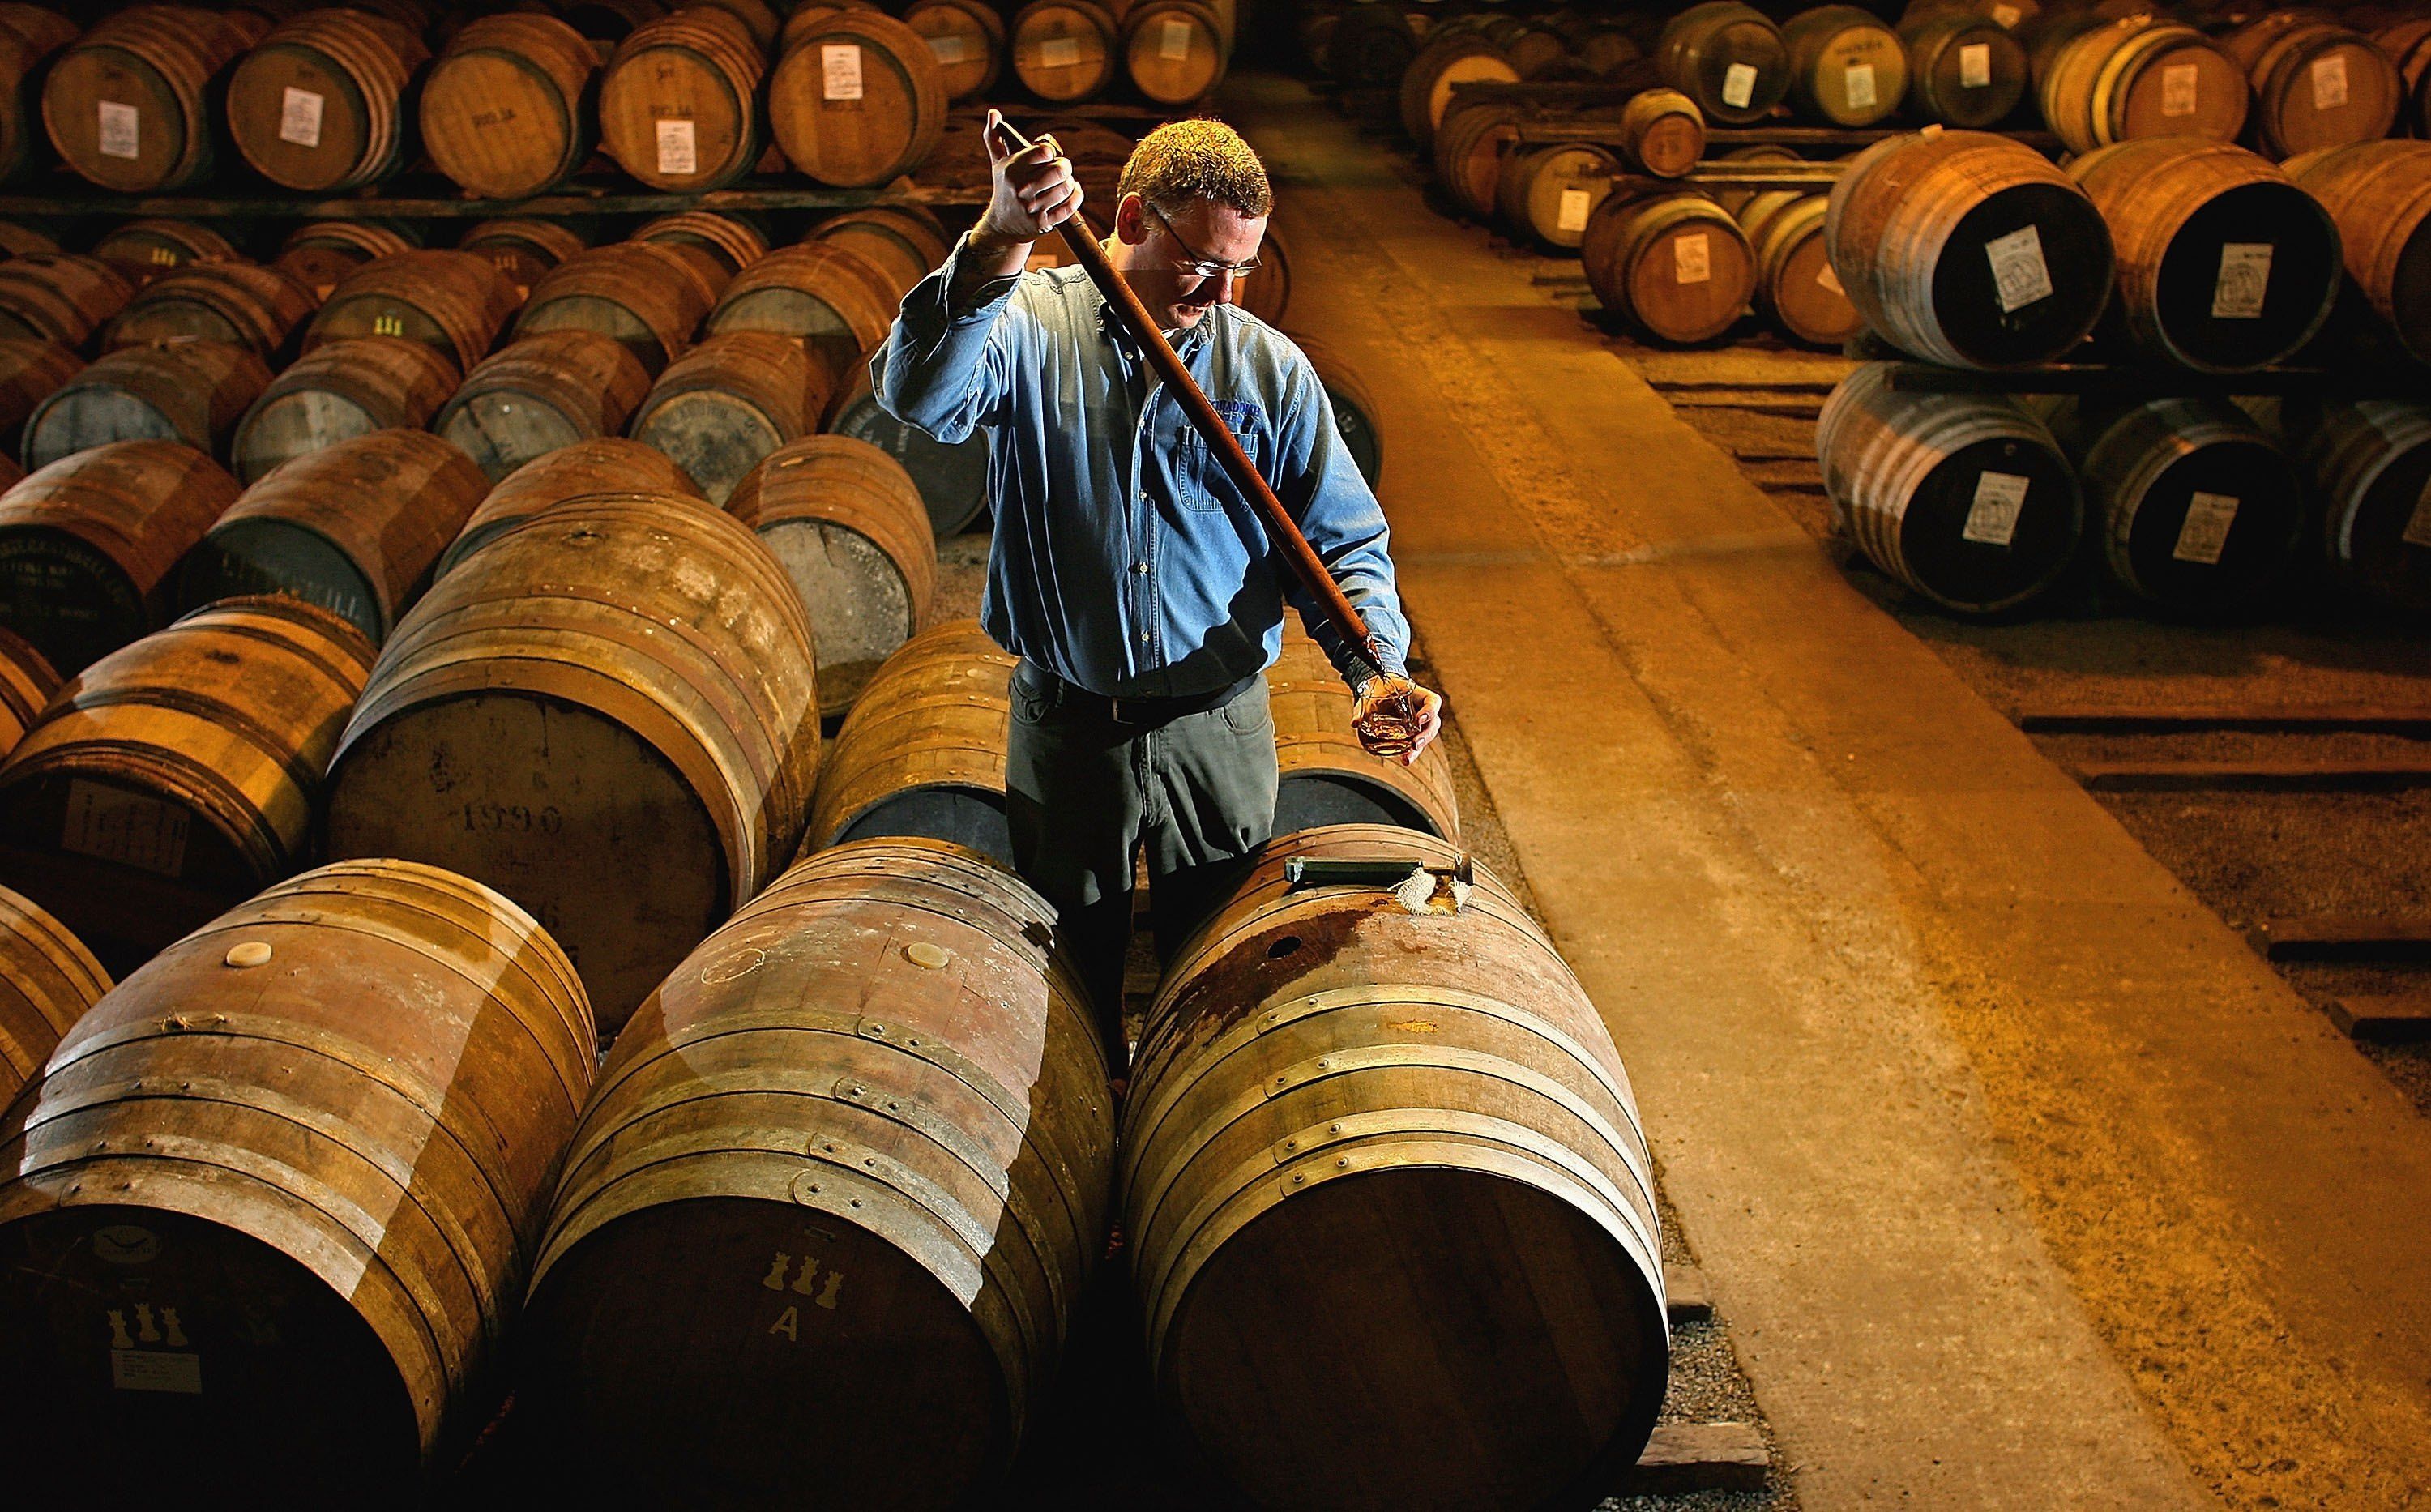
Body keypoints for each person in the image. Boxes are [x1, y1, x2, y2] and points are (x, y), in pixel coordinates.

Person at [874, 111, 1442, 1061]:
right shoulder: (1028, 329)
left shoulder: (1267, 368)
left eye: (1241, 270)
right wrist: (1001, 235)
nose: (1221, 291)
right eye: (1202, 263)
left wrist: (1378, 665)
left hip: (1217, 730)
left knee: (1220, 974)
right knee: (1062, 981)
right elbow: (922, 396)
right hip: (1070, 727)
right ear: (1132, 216)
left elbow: (1343, 543)